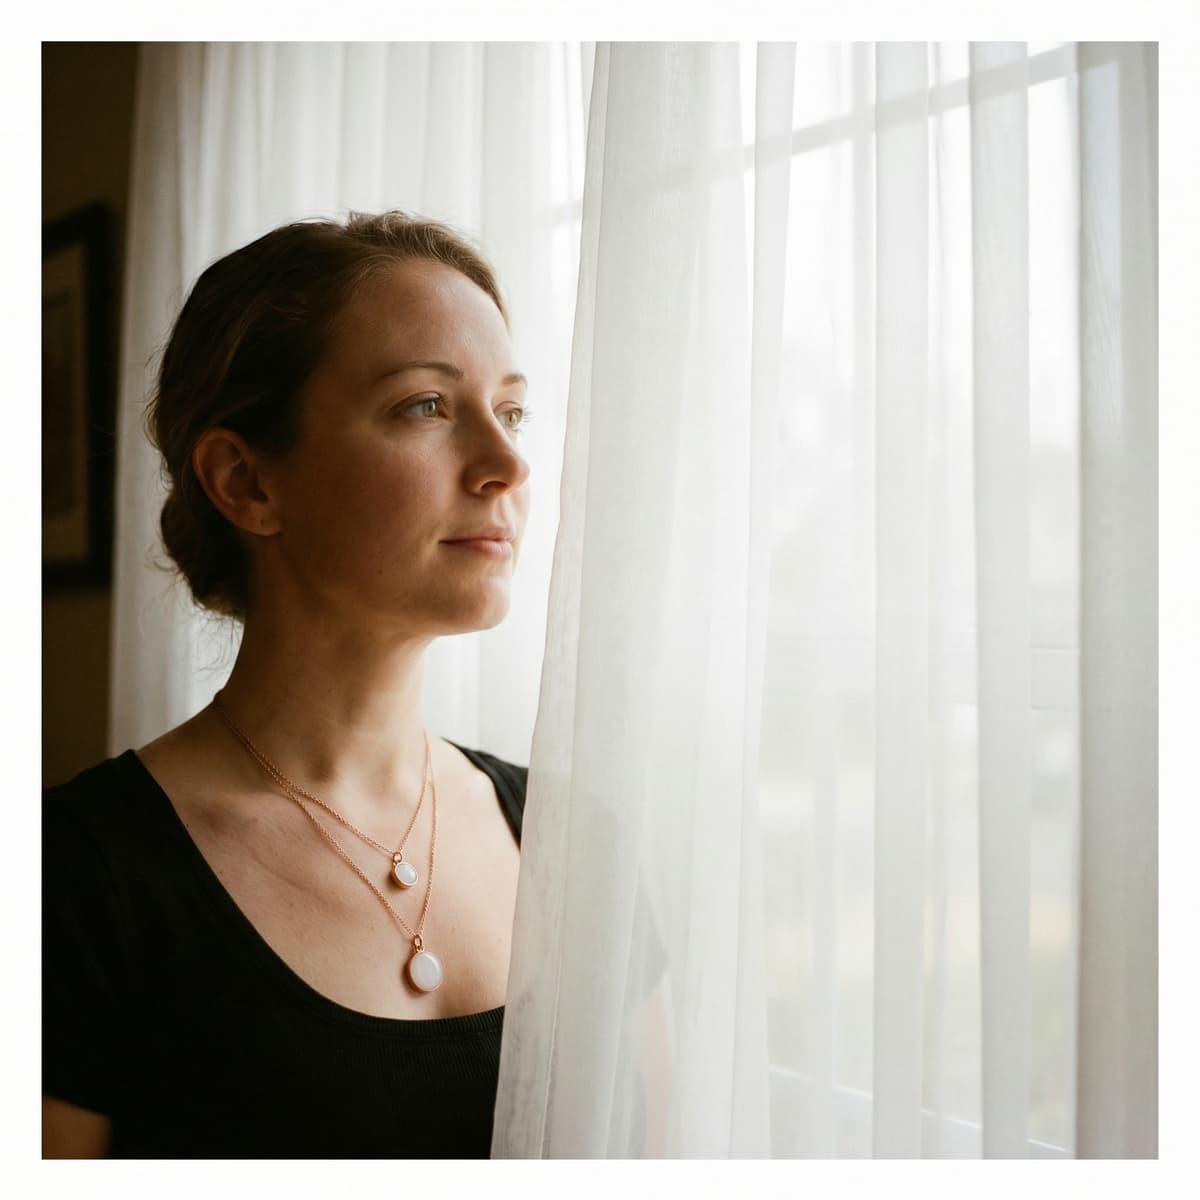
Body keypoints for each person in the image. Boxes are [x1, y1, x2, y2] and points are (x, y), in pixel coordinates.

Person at [42, 211, 535, 1158]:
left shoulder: (571, 848)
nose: (507, 465)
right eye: (426, 406)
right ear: (245, 483)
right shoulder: (72, 886)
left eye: (510, 412)